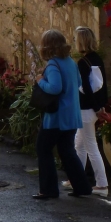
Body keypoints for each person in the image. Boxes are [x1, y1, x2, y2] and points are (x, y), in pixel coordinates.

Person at [33, 29, 92, 200]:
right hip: (72, 115)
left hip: (56, 117)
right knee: (67, 151)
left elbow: (55, 88)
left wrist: (40, 81)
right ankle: (82, 187)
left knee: (43, 149)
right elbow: (79, 82)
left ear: (47, 46)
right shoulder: (71, 62)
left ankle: (48, 190)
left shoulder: (53, 64)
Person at [67, 25, 109, 197]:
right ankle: (76, 178)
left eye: (76, 39)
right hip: (91, 109)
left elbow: (86, 87)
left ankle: (102, 185)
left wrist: (97, 107)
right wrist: (100, 105)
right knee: (80, 144)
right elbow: (101, 86)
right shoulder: (96, 59)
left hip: (86, 109)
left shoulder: (83, 63)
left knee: (90, 146)